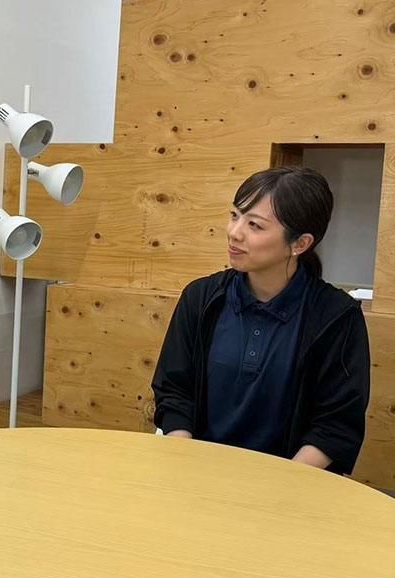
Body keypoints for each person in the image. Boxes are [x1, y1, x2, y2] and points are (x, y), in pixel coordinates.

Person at [152, 166, 370, 475]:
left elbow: (335, 425)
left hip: (291, 484)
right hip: (198, 474)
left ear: (300, 244)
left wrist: (280, 486)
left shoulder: (337, 316)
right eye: (235, 215)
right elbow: (175, 392)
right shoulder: (200, 298)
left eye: (254, 225)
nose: (235, 232)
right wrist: (187, 465)